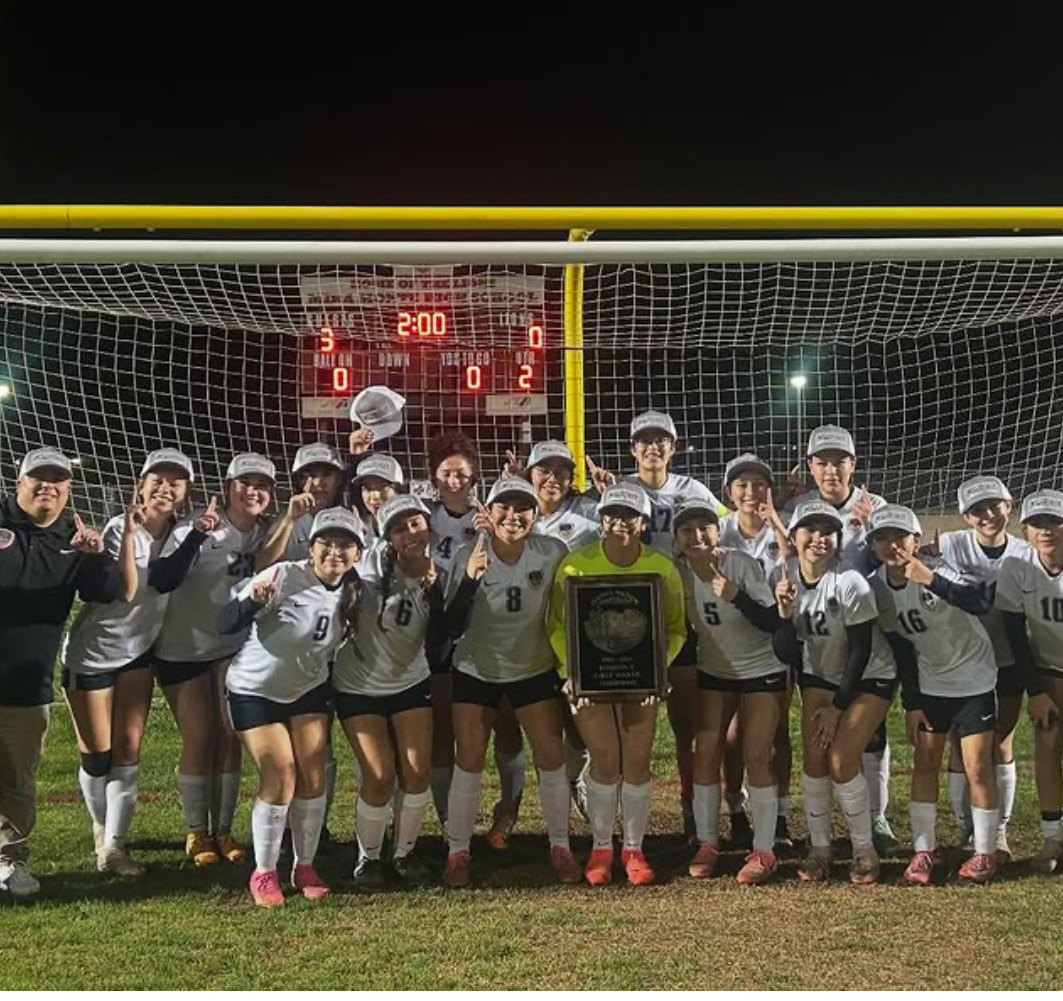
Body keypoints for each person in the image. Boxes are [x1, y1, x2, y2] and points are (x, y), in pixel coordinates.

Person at [586, 411, 725, 847]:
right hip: (630, 623)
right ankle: (616, 828)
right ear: (632, 448)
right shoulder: (619, 492)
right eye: (643, 441)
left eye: (661, 440)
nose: (652, 447)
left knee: (688, 726)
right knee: (622, 733)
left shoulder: (693, 491)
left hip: (683, 618)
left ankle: (690, 809)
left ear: (674, 446)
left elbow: (729, 527)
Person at [61, 448, 202, 876]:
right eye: (157, 479)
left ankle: (115, 848)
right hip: (92, 655)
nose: (165, 487)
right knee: (98, 755)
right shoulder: (122, 526)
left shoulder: (179, 531)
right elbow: (136, 586)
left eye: (174, 482)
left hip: (139, 653)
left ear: (185, 492)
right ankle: (101, 828)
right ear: (140, 485)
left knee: (128, 750)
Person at [220, 507, 363, 906]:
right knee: (280, 774)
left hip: (308, 690)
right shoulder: (282, 575)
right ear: (311, 547)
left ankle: (304, 865)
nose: (335, 552)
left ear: (358, 552)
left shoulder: (355, 589)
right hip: (255, 691)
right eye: (327, 544)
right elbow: (225, 621)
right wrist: (251, 603)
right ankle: (264, 871)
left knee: (314, 777)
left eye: (345, 546)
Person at [547, 483, 686, 885]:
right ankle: (602, 847)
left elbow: (675, 628)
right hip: (590, 681)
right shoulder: (575, 565)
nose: (619, 523)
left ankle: (634, 848)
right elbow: (557, 626)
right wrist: (572, 670)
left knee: (637, 761)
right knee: (606, 759)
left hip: (640, 680)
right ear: (601, 520)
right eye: (612, 515)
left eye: (629, 516)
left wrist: (657, 668)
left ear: (643, 524)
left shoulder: (662, 568)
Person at [441, 477, 578, 886]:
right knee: (469, 759)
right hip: (476, 669)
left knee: (551, 756)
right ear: (490, 510)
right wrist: (469, 578)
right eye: (504, 507)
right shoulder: (470, 552)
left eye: (523, 508)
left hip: (532, 667)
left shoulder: (552, 552)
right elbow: (450, 624)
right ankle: (458, 852)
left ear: (536, 514)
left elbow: (570, 608)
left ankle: (560, 846)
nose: (513, 516)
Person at [0, 447, 121, 899]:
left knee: (17, 778)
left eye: (58, 479)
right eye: (39, 477)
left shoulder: (75, 537)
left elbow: (106, 592)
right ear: (19, 481)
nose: (48, 485)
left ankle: (10, 861)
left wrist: (97, 555)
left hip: (27, 684)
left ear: (69, 488)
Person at [867, 504, 1001, 884]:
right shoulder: (876, 587)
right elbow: (902, 648)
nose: (892, 544)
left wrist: (930, 579)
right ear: (873, 544)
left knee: (976, 767)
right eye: (882, 537)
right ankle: (922, 851)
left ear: (915, 539)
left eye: (900, 536)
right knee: (926, 763)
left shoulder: (940, 569)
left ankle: (985, 853)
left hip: (974, 679)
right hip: (931, 685)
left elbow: (980, 602)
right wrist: (913, 703)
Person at [153, 452, 275, 867]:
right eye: (244, 482)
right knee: (199, 736)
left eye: (261, 485)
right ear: (227, 488)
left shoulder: (264, 533)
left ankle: (223, 831)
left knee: (229, 735)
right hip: (182, 648)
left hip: (232, 647)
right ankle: (196, 831)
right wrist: (197, 535)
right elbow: (164, 576)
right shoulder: (196, 527)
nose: (252, 491)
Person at [783, 424, 897, 856]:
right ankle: (822, 844)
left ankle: (877, 816)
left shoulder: (875, 507)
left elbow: (899, 552)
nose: (832, 469)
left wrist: (874, 531)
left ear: (854, 463)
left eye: (840, 461)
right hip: (819, 636)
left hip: (870, 630)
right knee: (820, 748)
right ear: (810, 466)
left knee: (869, 734)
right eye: (822, 461)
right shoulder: (799, 507)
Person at [332, 495, 446, 888]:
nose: (410, 534)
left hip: (410, 682)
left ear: (429, 525)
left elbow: (446, 635)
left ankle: (404, 854)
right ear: (388, 538)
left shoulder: (441, 573)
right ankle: (368, 859)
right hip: (358, 685)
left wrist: (442, 592)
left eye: (415, 524)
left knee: (416, 771)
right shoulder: (364, 569)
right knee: (379, 775)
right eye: (399, 528)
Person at [674, 498, 786, 885]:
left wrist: (735, 594)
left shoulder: (739, 563)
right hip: (715, 670)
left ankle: (765, 850)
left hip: (762, 668)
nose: (696, 535)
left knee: (757, 754)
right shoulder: (678, 573)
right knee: (704, 749)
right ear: (677, 539)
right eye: (686, 529)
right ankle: (708, 842)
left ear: (717, 532)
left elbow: (773, 621)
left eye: (704, 527)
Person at [425, 430, 525, 849]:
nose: (454, 480)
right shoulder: (422, 516)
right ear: (434, 477)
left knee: (506, 722)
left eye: (462, 473)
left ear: (474, 477)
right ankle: (452, 818)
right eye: (446, 473)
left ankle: (509, 810)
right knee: (443, 729)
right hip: (435, 631)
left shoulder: (490, 514)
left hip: (486, 629)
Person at [935, 476, 1029, 858]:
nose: (987, 515)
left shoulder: (1025, 552)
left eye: (994, 505)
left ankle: (999, 833)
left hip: (1009, 660)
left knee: (1000, 742)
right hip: (963, 661)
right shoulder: (950, 544)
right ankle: (967, 829)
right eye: (977, 510)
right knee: (962, 746)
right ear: (965, 516)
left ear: (1009, 504)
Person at [716, 452, 794, 854]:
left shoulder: (782, 529)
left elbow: (796, 570)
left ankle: (780, 814)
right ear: (728, 492)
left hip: (772, 643)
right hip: (728, 644)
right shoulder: (718, 530)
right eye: (742, 484)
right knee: (731, 735)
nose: (751, 492)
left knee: (775, 732)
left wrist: (782, 533)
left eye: (759, 484)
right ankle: (736, 812)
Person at [519, 439, 599, 818]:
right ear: (529, 474)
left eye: (561, 471)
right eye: (543, 471)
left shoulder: (590, 515)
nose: (552, 478)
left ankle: (573, 778)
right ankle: (516, 805)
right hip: (525, 634)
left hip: (574, 634)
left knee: (581, 722)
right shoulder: (513, 512)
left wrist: (610, 492)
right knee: (532, 726)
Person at [995, 488, 1063, 873]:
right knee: (1048, 742)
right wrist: (1035, 692)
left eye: (1054, 521)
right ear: (1025, 530)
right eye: (1037, 523)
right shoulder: (1017, 568)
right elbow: (1014, 634)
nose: (1046, 530)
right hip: (1048, 668)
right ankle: (1052, 838)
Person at [255, 442, 347, 570]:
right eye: (308, 476)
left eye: (326, 475)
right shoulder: (288, 520)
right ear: (298, 482)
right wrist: (289, 520)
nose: (318, 483)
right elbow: (261, 567)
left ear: (338, 479)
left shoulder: (349, 518)